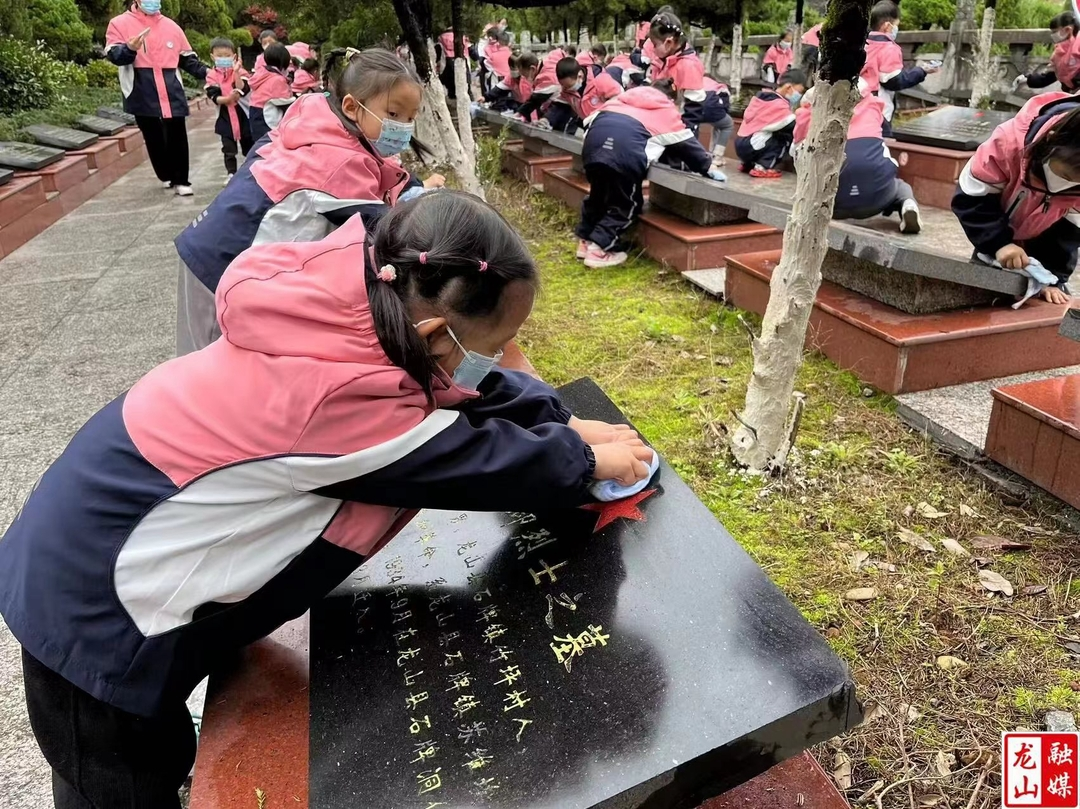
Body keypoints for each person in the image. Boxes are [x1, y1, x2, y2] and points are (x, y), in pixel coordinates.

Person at [1, 190, 655, 809]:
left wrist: (560, 418)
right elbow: (470, 459)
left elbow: (461, 393)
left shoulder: (357, 309)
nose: (496, 361)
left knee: (151, 750)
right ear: (434, 336)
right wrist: (583, 459)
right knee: (120, 775)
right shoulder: (330, 403)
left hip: (121, 540)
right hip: (96, 610)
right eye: (489, 349)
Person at [173, 47, 445, 356]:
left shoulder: (320, 119)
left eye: (410, 118)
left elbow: (383, 173)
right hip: (222, 263)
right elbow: (387, 232)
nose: (403, 127)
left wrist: (416, 188)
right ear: (352, 106)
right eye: (394, 115)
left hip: (224, 238)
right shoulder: (337, 162)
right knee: (208, 370)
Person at [952, 91, 1080, 304]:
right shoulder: (1008, 145)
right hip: (993, 232)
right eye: (1066, 175)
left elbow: (1069, 234)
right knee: (980, 296)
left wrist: (1052, 278)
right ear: (1051, 140)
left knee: (1048, 301)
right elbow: (972, 198)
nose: (1067, 185)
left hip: (1043, 243)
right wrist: (999, 244)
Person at [576, 85, 724, 268]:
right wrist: (707, 166)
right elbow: (688, 146)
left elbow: (588, 122)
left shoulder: (618, 102)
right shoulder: (664, 111)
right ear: (671, 99)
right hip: (624, 156)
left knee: (598, 196)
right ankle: (599, 249)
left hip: (592, 149)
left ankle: (585, 240)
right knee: (626, 204)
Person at [105, 0, 209, 196]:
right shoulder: (119, 23)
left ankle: (181, 180)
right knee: (153, 134)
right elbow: (115, 56)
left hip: (171, 87)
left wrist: (210, 73)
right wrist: (129, 48)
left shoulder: (171, 26)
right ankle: (165, 173)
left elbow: (187, 59)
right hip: (141, 87)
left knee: (177, 132)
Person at [793, 84, 922, 233]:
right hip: (877, 198)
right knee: (900, 185)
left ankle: (809, 214)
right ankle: (907, 205)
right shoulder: (871, 106)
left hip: (832, 205)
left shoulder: (810, 113)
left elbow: (797, 150)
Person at [861, 1, 938, 137]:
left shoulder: (863, 44)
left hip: (858, 104)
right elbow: (893, 81)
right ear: (887, 26)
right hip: (878, 108)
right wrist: (921, 71)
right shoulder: (888, 47)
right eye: (896, 25)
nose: (897, 28)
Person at [734, 68, 805, 178]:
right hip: (753, 145)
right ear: (788, 87)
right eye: (799, 91)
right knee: (783, 140)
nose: (799, 95)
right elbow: (792, 124)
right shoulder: (778, 104)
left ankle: (747, 165)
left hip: (741, 144)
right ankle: (763, 167)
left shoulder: (762, 99)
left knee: (767, 134)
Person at [647, 9, 707, 131]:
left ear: (668, 43)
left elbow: (694, 106)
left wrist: (683, 134)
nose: (653, 50)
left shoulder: (688, 65)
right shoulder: (662, 60)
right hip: (660, 124)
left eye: (655, 45)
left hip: (678, 129)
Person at [205, 38, 251, 185]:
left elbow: (243, 89)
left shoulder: (241, 71)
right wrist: (227, 99)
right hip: (225, 116)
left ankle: (250, 170)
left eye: (227, 55)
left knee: (248, 144)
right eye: (219, 55)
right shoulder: (212, 75)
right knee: (228, 148)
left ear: (234, 56)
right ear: (212, 56)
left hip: (242, 114)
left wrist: (236, 72)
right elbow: (214, 96)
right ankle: (231, 173)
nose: (223, 58)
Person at [543, 56, 623, 134]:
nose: (566, 89)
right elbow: (560, 106)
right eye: (563, 86)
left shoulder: (601, 80)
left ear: (580, 76)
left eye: (569, 86)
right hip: (589, 126)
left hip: (607, 125)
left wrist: (600, 115)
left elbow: (619, 100)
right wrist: (546, 119)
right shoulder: (566, 90)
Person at [1016, 12, 1080, 94]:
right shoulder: (1058, 54)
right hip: (1072, 94)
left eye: (1055, 32)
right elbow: (1048, 77)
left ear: (1067, 30)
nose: (1053, 35)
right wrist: (1027, 79)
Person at [247, 42, 294, 142]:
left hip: (255, 112)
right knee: (270, 144)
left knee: (261, 144)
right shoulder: (277, 79)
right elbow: (284, 101)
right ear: (283, 61)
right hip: (266, 114)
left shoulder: (262, 73)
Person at [515, 44, 571, 121]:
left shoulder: (547, 75)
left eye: (525, 75)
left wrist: (520, 113)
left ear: (532, 69)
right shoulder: (546, 64)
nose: (525, 79)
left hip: (564, 103)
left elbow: (535, 100)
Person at [703, 76, 733, 165]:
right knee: (727, 124)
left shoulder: (697, 82)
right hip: (712, 109)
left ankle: (690, 154)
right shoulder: (720, 87)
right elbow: (725, 109)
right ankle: (717, 157)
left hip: (695, 108)